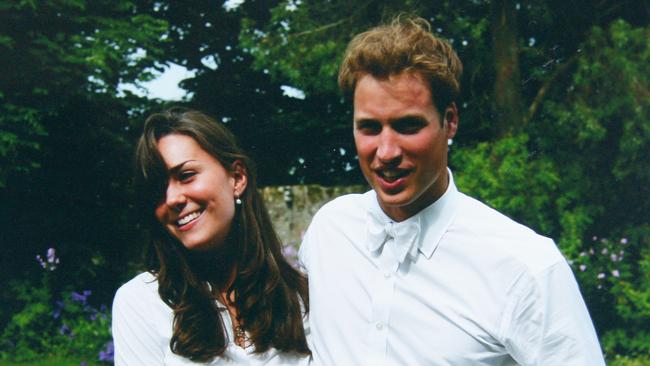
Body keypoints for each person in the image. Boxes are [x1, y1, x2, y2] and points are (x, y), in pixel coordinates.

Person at [300, 17, 605, 365]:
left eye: (408, 125)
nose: (386, 151)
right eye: (369, 128)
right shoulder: (330, 231)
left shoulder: (526, 267)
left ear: (450, 121)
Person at [112, 108, 310, 365]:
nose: (172, 199)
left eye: (186, 176)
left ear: (237, 178)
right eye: (158, 188)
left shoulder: (303, 298)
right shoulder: (143, 304)